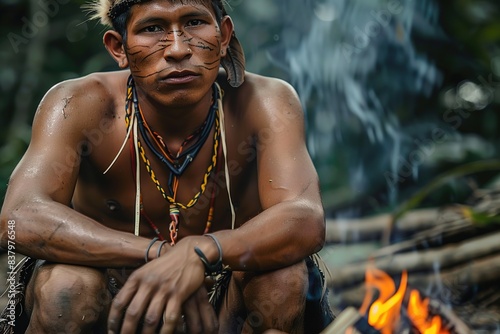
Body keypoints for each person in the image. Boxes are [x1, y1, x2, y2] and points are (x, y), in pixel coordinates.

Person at [0, 0, 335, 333]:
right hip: (115, 307)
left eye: (194, 22)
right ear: (119, 48)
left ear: (224, 36)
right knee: (66, 286)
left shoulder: (266, 101)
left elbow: (304, 217)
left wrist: (203, 251)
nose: (177, 49)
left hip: (221, 310)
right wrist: (159, 256)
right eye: (152, 28)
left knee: (284, 280)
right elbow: (18, 217)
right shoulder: (78, 104)